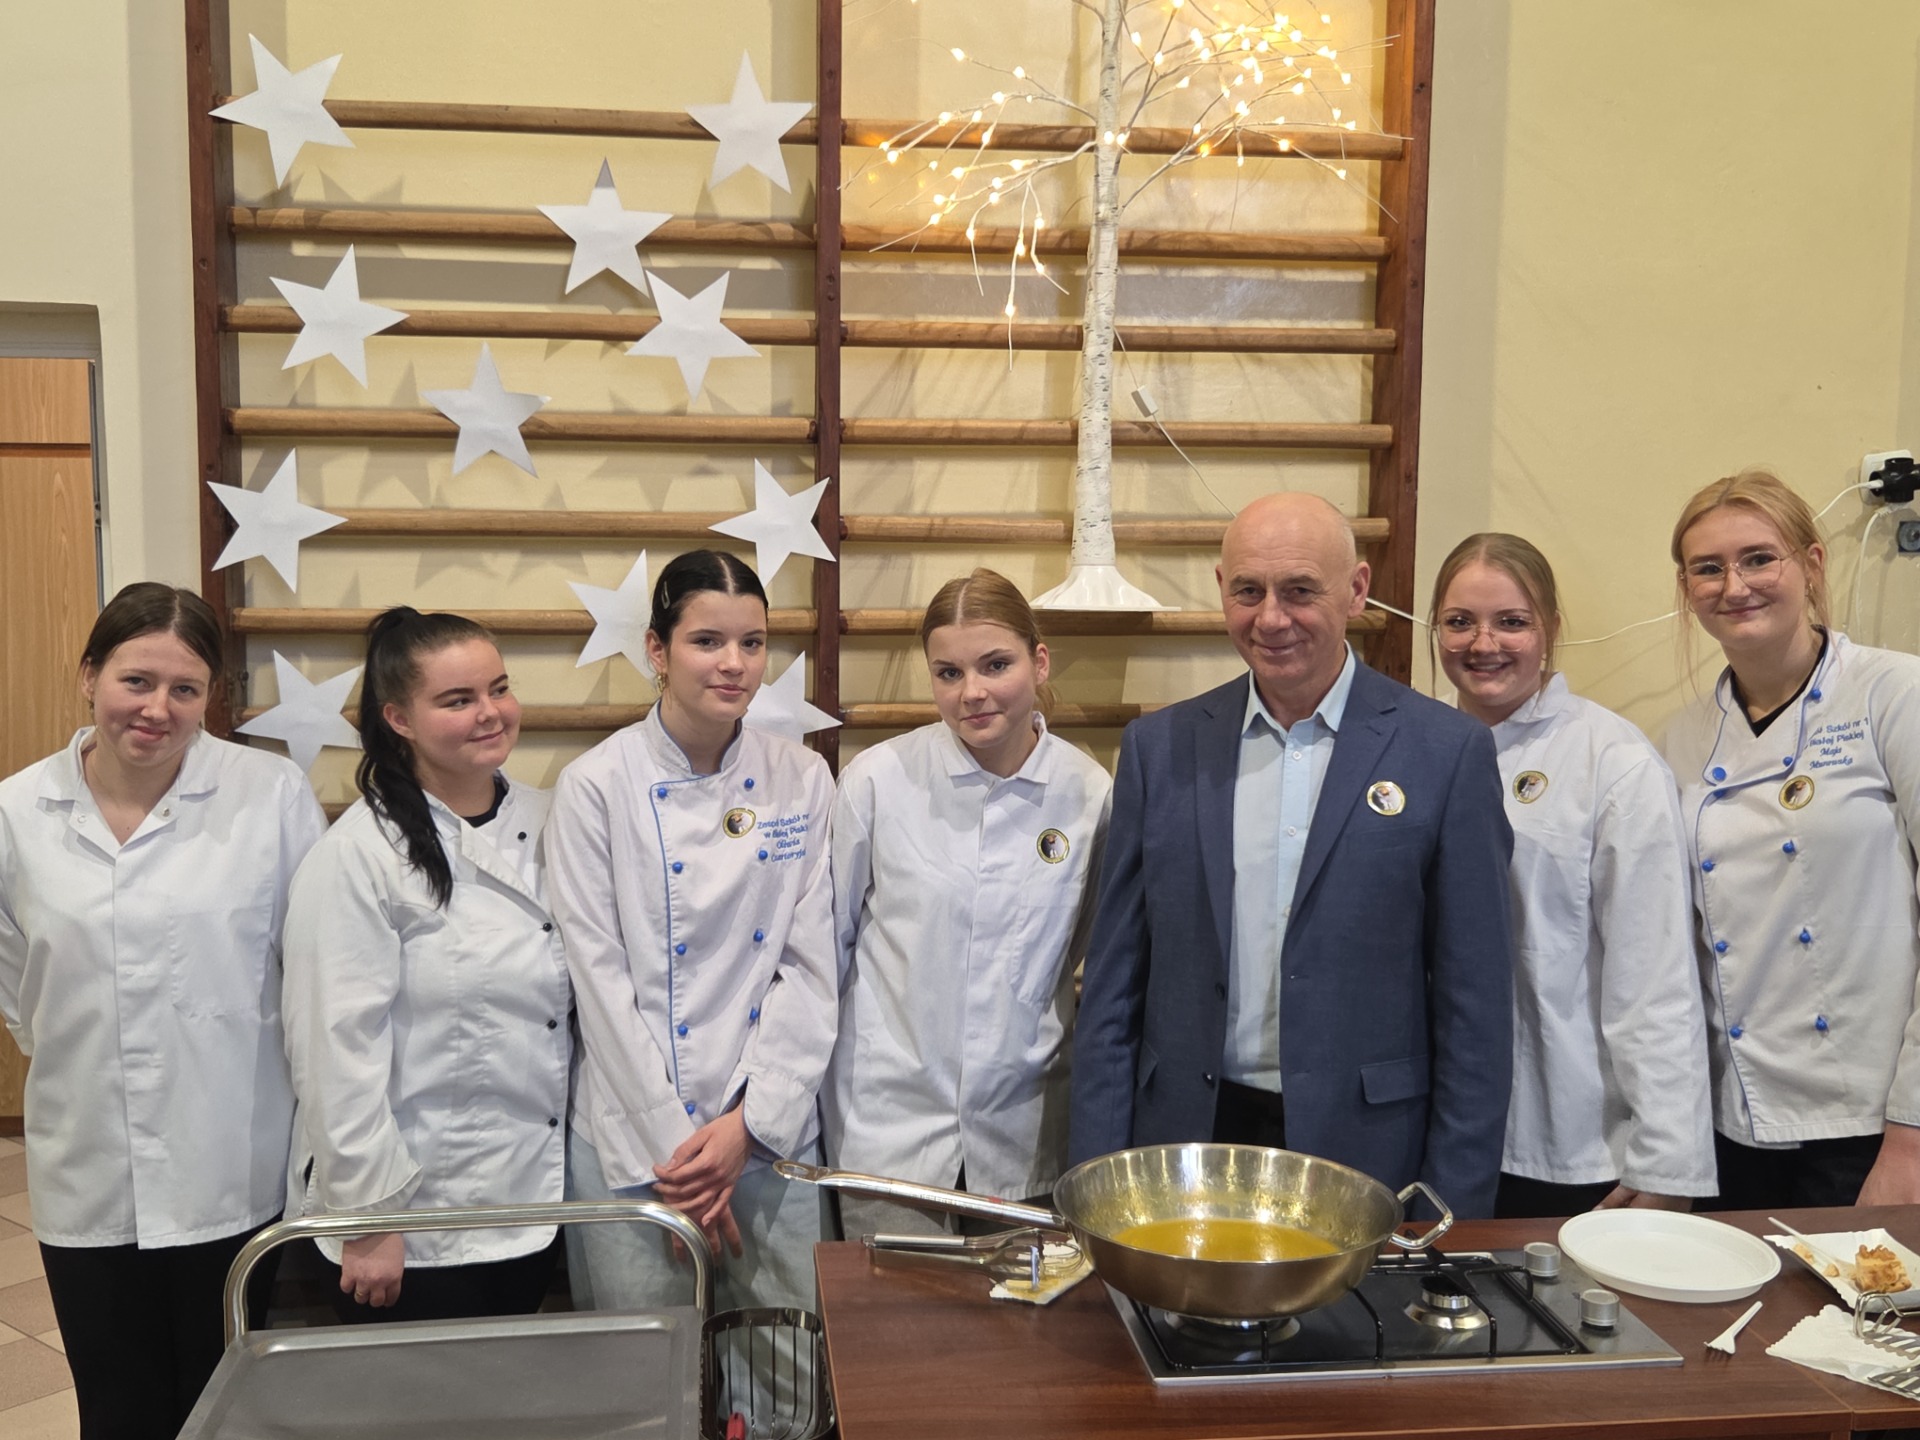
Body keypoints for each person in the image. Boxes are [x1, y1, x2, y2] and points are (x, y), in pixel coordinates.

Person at [1068, 493, 1516, 1218]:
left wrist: (1450, 1208)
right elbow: (1114, 986)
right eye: (1248, 591)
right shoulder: (1160, 749)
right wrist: (1094, 1176)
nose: (1271, 619)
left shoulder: (1446, 752)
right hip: (1183, 1142)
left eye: (1300, 590)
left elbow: (1476, 1005)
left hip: (1366, 1149)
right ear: (1222, 589)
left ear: (1357, 591)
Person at [0, 583, 324, 1439]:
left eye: (186, 689)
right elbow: (15, 976)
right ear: (89, 677)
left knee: (231, 1405)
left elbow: (311, 966)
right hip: (87, 1160)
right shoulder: (16, 810)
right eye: (135, 681)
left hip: (231, 1155)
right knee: (116, 1404)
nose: (158, 709)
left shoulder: (269, 793)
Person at [548, 550, 836, 1311]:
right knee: (648, 1368)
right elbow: (599, 985)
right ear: (658, 649)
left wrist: (748, 1127)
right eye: (707, 641)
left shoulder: (802, 777)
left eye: (752, 642)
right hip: (638, 1145)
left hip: (767, 1133)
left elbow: (809, 968)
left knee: (785, 1363)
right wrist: (681, 1163)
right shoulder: (595, 786)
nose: (734, 664)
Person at [281, 608, 570, 1322]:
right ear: (399, 719)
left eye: (499, 689)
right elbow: (332, 1052)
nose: (490, 713)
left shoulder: (555, 822)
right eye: (457, 700)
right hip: (409, 1220)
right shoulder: (358, 856)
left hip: (531, 1197)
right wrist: (370, 1218)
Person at [1431, 534, 1715, 1218]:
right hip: (1436, 1126)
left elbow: (1655, 975)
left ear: (1551, 629)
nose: (1483, 643)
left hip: (1565, 1137)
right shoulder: (1414, 749)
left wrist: (1668, 1161)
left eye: (1512, 621)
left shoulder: (1612, 761)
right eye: (1460, 621)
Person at [823, 568, 1112, 1236]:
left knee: (1019, 1310)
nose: (972, 692)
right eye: (948, 673)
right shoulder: (877, 781)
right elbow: (827, 950)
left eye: (995, 665)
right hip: (887, 1136)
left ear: (1040, 662)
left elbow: (1093, 958)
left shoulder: (1090, 794)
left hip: (1026, 1140)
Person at [1663, 468, 1920, 1210]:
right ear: (1687, 589)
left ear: (1811, 564)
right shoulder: (1681, 740)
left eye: (1758, 559)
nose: (1734, 585)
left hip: (1872, 1123)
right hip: (1733, 1120)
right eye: (1707, 568)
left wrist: (1911, 1134)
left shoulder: (1893, 694)